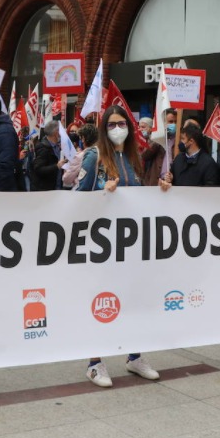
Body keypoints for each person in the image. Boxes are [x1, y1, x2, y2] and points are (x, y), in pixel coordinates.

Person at [76, 105, 159, 386]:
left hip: (131, 244)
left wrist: (163, 189)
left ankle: (134, 356)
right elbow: (76, 198)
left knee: (133, 298)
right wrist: (101, 193)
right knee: (101, 301)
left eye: (121, 123)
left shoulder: (135, 158)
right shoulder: (94, 156)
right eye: (110, 125)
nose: (116, 129)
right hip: (101, 246)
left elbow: (140, 198)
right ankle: (94, 362)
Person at [141, 111, 176, 187]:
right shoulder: (156, 138)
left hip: (170, 184)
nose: (173, 124)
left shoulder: (179, 140)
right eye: (170, 121)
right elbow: (145, 155)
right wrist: (160, 136)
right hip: (155, 183)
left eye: (175, 122)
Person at [30, 121, 66, 191]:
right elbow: (38, 169)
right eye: (60, 130)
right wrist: (56, 166)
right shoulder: (43, 148)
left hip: (56, 187)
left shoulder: (57, 146)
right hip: (45, 190)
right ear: (56, 133)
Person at [63, 123, 97, 189]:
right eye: (72, 131)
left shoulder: (79, 156)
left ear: (83, 139)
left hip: (82, 191)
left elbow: (66, 178)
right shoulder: (103, 154)